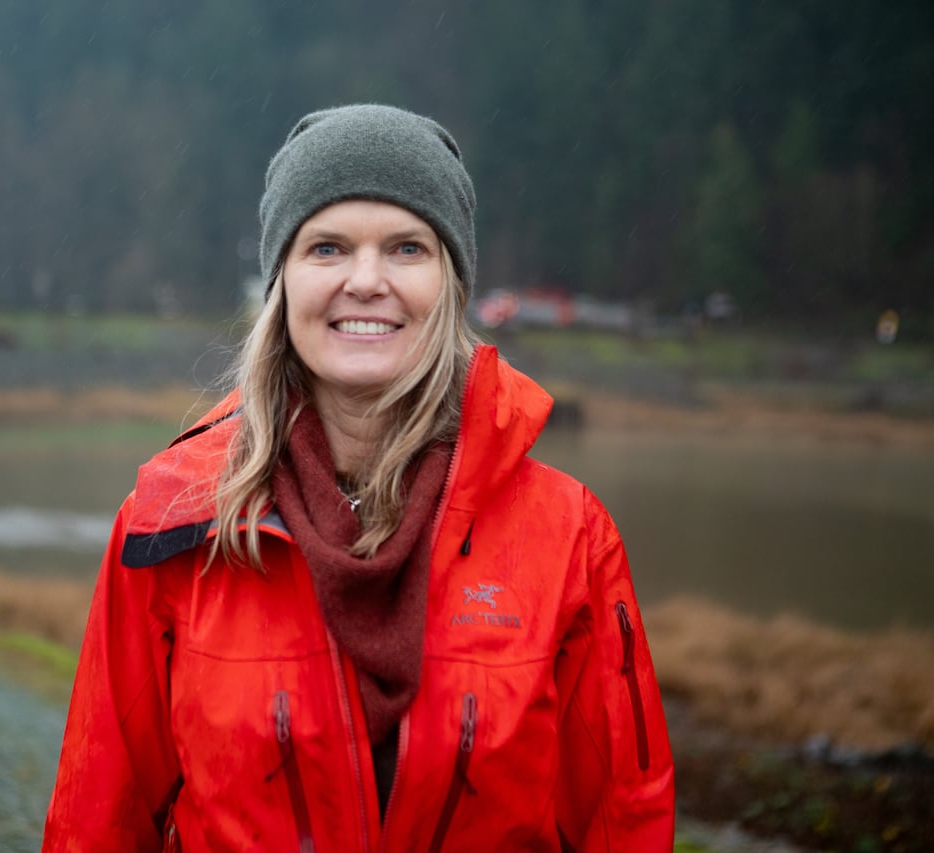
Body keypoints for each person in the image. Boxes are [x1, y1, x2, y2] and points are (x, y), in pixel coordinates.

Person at [42, 104, 675, 851]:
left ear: (452, 283)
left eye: (407, 247)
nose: (366, 281)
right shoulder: (173, 523)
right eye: (328, 247)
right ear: (283, 280)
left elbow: (623, 821)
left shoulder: (570, 538)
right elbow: (98, 821)